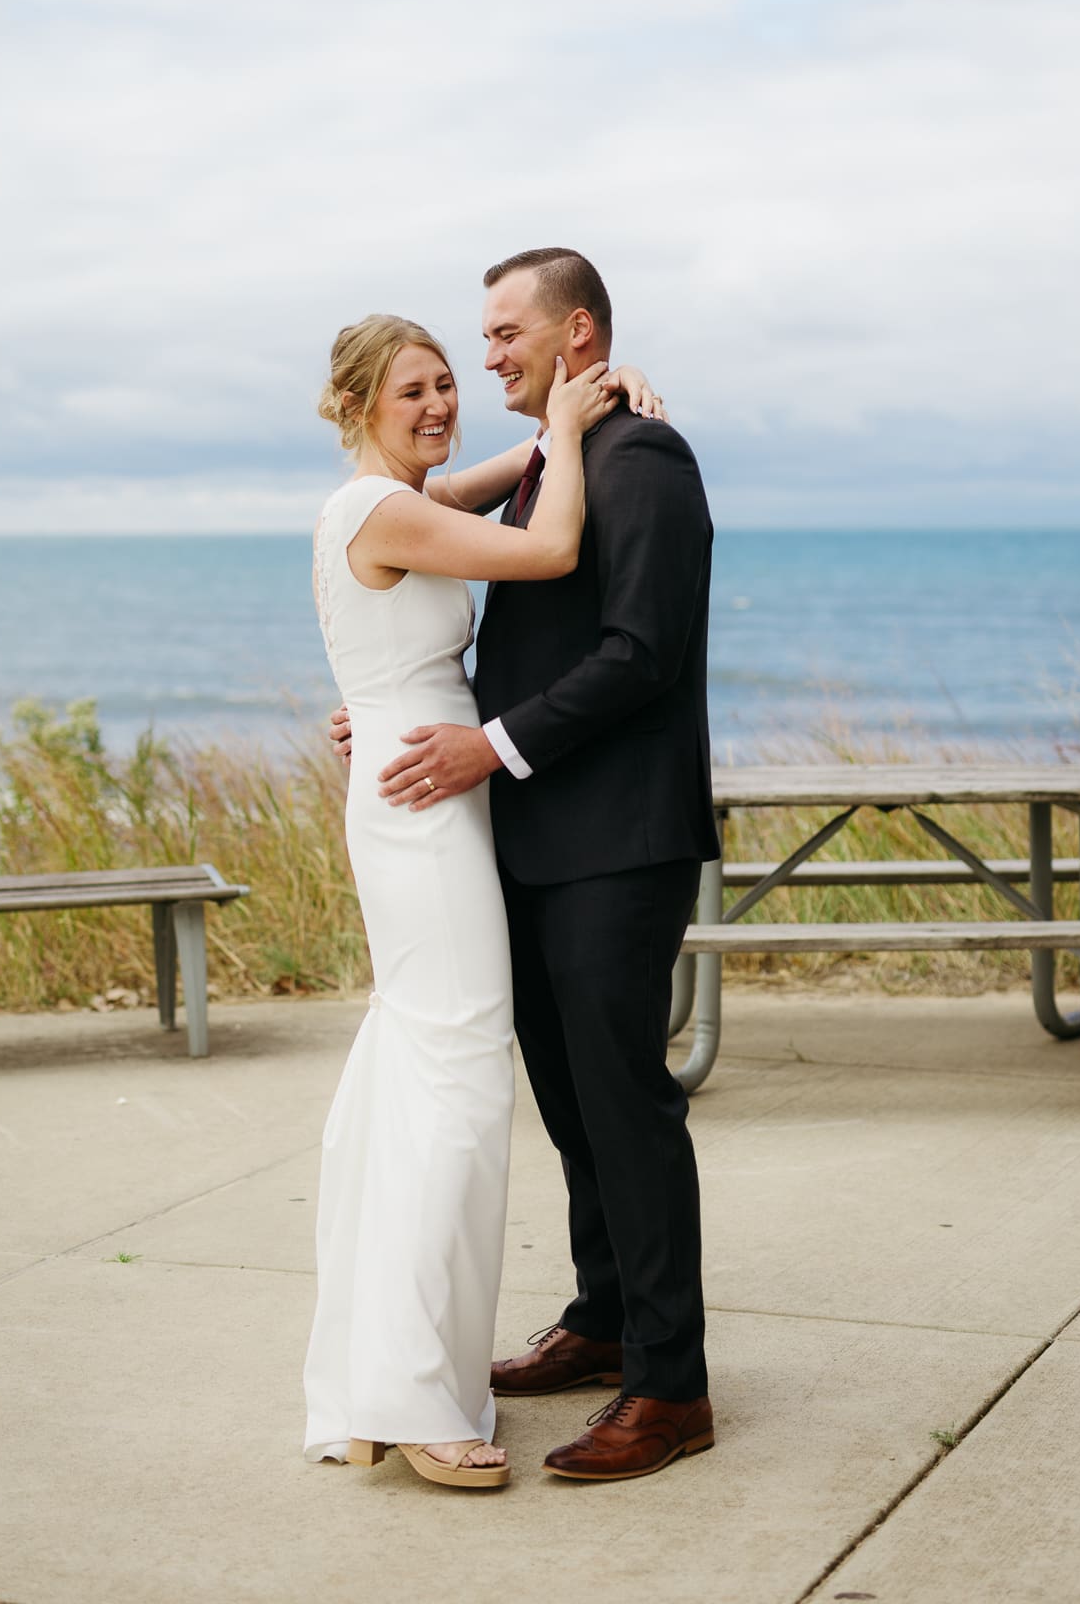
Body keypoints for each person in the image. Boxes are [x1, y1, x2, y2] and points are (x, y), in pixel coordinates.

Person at [371, 249, 720, 1483]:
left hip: (620, 844)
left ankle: (670, 1387)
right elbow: (530, 641)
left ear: (578, 332)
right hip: (534, 839)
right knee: (573, 1105)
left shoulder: (647, 461)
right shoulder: (554, 469)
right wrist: (408, 709)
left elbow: (640, 654)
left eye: (508, 330)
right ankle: (605, 1315)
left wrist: (489, 744)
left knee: (625, 1102)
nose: (490, 354)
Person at [303, 310, 659, 1491]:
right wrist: (561, 413)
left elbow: (497, 477)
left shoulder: (403, 497)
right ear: (357, 404)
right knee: (455, 1079)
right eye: (411, 390)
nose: (440, 403)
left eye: (448, 382)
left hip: (419, 784)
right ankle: (410, 1394)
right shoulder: (382, 508)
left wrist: (585, 402)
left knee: (421, 1070)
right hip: (424, 800)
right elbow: (553, 548)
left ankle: (377, 1380)